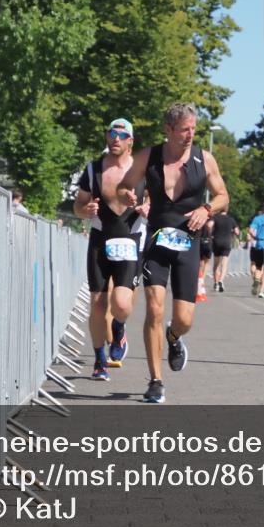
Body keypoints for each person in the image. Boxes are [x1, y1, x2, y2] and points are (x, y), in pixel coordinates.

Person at [120, 103, 228, 403]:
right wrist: (128, 194)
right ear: (168, 130)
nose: (191, 134)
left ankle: (174, 337)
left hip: (188, 244)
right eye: (184, 129)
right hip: (156, 241)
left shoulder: (204, 160)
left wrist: (206, 209)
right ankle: (155, 380)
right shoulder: (148, 157)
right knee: (154, 308)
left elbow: (223, 196)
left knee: (184, 319)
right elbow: (124, 186)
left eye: (194, 128)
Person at [73, 119, 149, 381]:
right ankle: (99, 359)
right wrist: (85, 210)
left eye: (121, 135)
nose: (115, 138)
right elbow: (78, 205)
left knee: (121, 303)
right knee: (97, 303)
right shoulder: (94, 169)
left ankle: (118, 329)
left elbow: (156, 202)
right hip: (100, 238)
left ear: (131, 141)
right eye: (111, 133)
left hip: (130, 239)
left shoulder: (142, 171)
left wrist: (146, 206)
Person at [211, 209, 240, 291]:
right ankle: (221, 280)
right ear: (227, 210)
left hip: (216, 241)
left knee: (216, 263)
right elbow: (237, 232)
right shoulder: (231, 219)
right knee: (224, 263)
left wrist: (210, 234)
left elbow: (209, 225)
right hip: (227, 242)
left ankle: (216, 283)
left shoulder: (215, 217)